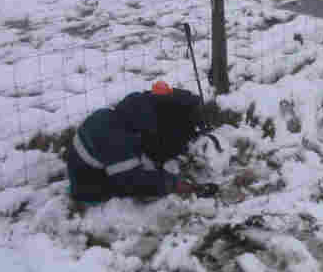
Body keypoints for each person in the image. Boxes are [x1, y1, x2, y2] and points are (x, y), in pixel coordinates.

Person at [67, 80, 217, 203]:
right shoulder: (116, 142)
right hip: (88, 187)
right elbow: (133, 182)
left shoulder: (110, 117)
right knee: (138, 189)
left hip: (85, 165)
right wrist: (173, 184)